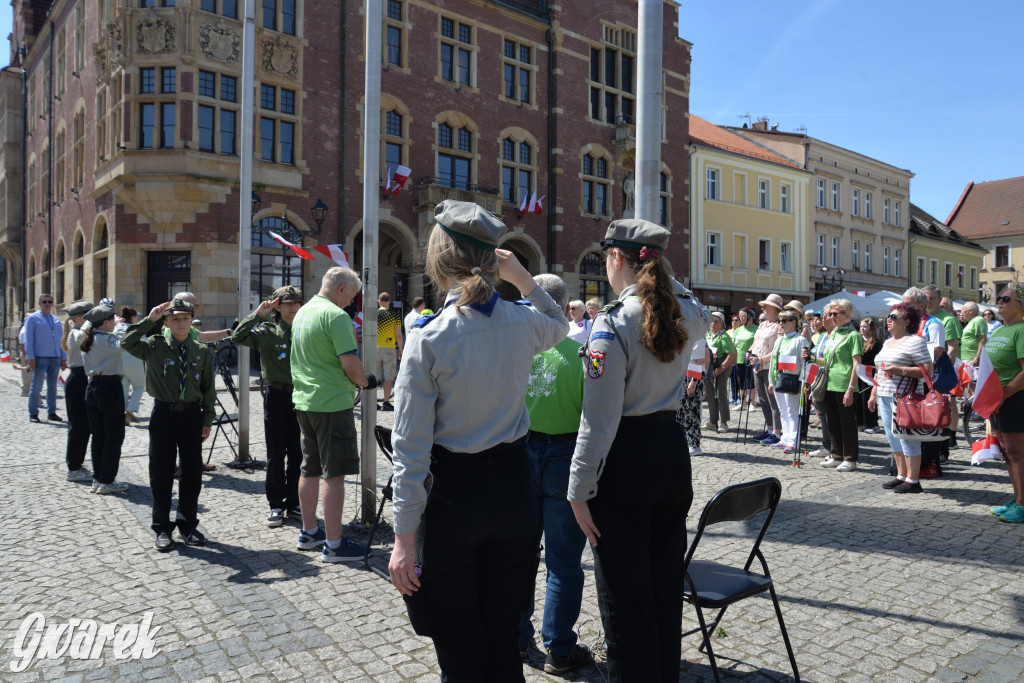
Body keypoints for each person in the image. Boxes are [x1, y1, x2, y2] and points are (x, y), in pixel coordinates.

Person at [388, 200, 566, 680]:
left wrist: (403, 537)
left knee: (460, 648)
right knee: (505, 641)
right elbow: (562, 324)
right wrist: (524, 278)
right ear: (493, 259)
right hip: (513, 488)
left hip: (453, 499)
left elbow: (410, 449)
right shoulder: (521, 319)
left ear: (437, 260)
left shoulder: (429, 336)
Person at [568, 219, 708, 682]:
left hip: (625, 460)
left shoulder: (611, 322)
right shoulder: (685, 311)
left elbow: (599, 419)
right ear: (658, 261)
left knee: (625, 595)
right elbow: (693, 301)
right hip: (670, 451)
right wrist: (658, 263)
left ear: (615, 259)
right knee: (664, 582)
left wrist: (578, 488)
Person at [517, 274, 590, 674]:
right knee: (563, 561)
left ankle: (516, 640)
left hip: (521, 451)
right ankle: (560, 649)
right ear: (565, 309)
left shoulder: (517, 350)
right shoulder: (580, 354)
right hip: (565, 453)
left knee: (520, 554)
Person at [290, 267, 375, 562]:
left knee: (309, 468)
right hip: (331, 403)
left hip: (305, 401)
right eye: (351, 296)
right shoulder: (336, 317)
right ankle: (335, 544)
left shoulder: (304, 312)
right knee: (334, 473)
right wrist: (367, 382)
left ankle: (309, 532)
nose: (350, 302)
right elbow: (351, 366)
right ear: (341, 289)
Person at [122, 298, 216, 552]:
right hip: (164, 414)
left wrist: (207, 418)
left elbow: (208, 388)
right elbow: (126, 341)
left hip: (191, 416)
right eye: (174, 318)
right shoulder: (154, 346)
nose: (181, 323)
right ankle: (162, 528)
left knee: (192, 473)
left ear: (192, 321)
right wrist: (148, 320)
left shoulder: (201, 350)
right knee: (161, 473)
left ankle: (187, 526)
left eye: (185, 318)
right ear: (165, 322)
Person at [232, 285, 306, 528]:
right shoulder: (266, 330)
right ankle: (276, 503)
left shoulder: (307, 328)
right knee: (276, 452)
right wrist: (258, 314)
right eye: (287, 303)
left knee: (298, 452)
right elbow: (237, 337)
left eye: (296, 303)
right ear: (278, 306)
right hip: (276, 395)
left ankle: (294, 502)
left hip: (302, 396)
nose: (293, 307)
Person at [868, 303, 933, 493]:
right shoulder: (888, 341)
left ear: (907, 321)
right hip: (885, 394)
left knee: (907, 437)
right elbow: (880, 371)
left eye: (894, 317)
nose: (889, 319)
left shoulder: (915, 341)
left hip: (906, 396)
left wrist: (900, 370)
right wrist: (873, 394)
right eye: (889, 316)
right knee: (892, 436)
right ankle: (902, 475)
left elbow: (927, 370)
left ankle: (913, 480)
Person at [804, 299, 862, 471]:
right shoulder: (834, 334)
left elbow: (856, 364)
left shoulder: (853, 335)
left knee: (847, 423)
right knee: (832, 422)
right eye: (831, 314)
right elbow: (828, 360)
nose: (832, 317)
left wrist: (851, 388)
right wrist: (812, 359)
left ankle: (850, 458)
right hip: (829, 382)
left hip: (844, 383)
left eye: (836, 314)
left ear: (847, 315)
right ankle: (836, 455)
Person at [984, 285, 1024, 523]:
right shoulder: (999, 331)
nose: (999, 301)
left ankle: (1022, 503)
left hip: (1015, 397)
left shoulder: (1021, 330)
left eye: (1006, 298)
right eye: (998, 298)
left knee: (1018, 452)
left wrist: (1005, 394)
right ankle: (1017, 497)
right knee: (1007, 452)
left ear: (1020, 305)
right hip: (996, 399)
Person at [80, 304, 129, 495]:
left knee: (99, 435)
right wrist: (120, 326)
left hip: (93, 386)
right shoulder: (106, 338)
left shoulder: (91, 338)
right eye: (112, 319)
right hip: (109, 387)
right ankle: (107, 480)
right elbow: (124, 344)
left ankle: (99, 478)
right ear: (106, 322)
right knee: (114, 435)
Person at [61, 301, 94, 482]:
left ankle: (76, 464)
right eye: (90, 316)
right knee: (78, 426)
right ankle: (73, 468)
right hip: (78, 379)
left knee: (84, 426)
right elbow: (84, 339)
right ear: (81, 318)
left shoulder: (77, 331)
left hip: (82, 378)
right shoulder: (76, 333)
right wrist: (90, 323)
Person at [768, 311, 809, 455]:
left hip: (792, 380)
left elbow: (805, 364)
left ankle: (793, 441)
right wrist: (771, 381)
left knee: (792, 412)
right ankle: (785, 439)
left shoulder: (800, 340)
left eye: (784, 320)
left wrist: (801, 383)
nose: (781, 323)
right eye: (779, 320)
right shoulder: (779, 340)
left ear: (793, 322)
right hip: (779, 379)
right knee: (782, 411)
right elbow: (773, 362)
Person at [24, 293, 67, 422]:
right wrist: (30, 358)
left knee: (52, 386)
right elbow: (28, 340)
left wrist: (63, 358)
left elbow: (61, 340)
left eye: (49, 302)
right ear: (39, 303)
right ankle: (33, 413)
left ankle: (51, 412)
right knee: (36, 386)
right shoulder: (32, 319)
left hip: (55, 358)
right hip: (40, 357)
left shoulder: (55, 319)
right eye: (44, 302)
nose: (47, 304)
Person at [750, 294, 784, 444]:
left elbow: (778, 349)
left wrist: (762, 359)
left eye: (766, 305)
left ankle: (777, 432)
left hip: (770, 367)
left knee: (773, 401)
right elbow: (756, 342)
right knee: (763, 400)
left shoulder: (779, 326)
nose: (762, 307)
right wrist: (749, 353)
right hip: (757, 367)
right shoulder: (763, 324)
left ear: (774, 308)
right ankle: (770, 429)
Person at [678, 336, 710, 456]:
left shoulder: (698, 340)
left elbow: (700, 362)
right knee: (682, 412)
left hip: (692, 377)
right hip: (683, 376)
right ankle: (685, 441)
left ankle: (694, 444)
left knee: (692, 411)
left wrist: (693, 382)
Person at [704, 311, 736, 433]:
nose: (713, 324)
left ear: (722, 324)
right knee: (710, 394)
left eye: (716, 321)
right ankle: (712, 420)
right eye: (711, 321)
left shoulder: (724, 336)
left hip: (723, 363)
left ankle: (724, 422)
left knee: (721, 393)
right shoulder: (707, 334)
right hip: (710, 364)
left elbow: (731, 355)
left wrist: (721, 368)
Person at [117, 307, 147, 424]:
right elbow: (145, 342)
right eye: (137, 317)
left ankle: (123, 415)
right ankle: (130, 409)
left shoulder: (117, 327)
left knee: (123, 389)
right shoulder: (134, 329)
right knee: (139, 386)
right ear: (133, 317)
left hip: (119, 360)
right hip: (133, 359)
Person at [375, 292, 404, 411]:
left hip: (375, 348)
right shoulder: (395, 315)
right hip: (389, 348)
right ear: (389, 301)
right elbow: (398, 334)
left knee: (374, 376)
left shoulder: (374, 314)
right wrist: (401, 350)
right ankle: (386, 402)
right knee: (388, 376)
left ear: (379, 301)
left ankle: (372, 402)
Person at [857, 317, 882, 433]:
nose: (862, 328)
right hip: (858, 372)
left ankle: (872, 423)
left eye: (865, 326)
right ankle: (860, 422)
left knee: (868, 397)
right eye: (861, 326)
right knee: (859, 398)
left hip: (870, 373)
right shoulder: (858, 340)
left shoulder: (876, 343)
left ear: (870, 328)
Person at [732, 307, 757, 409]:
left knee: (750, 382)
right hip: (739, 358)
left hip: (750, 359)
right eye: (740, 316)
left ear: (750, 317)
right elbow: (733, 343)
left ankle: (752, 403)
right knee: (741, 382)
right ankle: (743, 404)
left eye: (743, 316)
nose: (741, 318)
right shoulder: (738, 329)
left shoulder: (756, 329)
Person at [961, 302, 988, 368]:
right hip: (966, 359)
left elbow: (983, 340)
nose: (961, 313)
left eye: (963, 310)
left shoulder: (978, 320)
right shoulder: (971, 321)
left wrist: (977, 357)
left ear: (970, 311)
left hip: (971, 359)